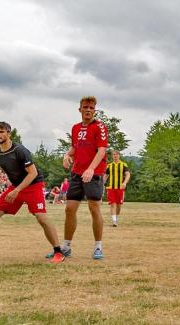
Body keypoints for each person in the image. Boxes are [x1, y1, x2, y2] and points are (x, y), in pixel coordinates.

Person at [0, 121, 65, 263]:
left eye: (1, 131)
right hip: (16, 187)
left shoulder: (20, 150)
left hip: (33, 185)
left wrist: (17, 190)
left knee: (41, 217)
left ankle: (58, 252)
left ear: (8, 133)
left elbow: (33, 173)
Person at [60, 96, 109, 260]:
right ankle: (66, 247)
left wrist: (91, 169)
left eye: (91, 108)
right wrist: (67, 155)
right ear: (80, 109)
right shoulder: (75, 128)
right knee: (69, 209)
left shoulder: (100, 127)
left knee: (94, 208)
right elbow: (74, 147)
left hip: (93, 173)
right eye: (85, 107)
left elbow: (101, 150)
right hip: (77, 173)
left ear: (95, 110)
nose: (88, 110)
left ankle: (98, 247)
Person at [105, 150, 131, 227]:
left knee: (119, 205)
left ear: (119, 155)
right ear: (112, 156)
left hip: (120, 188)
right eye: (113, 154)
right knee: (112, 204)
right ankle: (114, 221)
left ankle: (116, 217)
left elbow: (128, 174)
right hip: (111, 188)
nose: (115, 156)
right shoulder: (109, 166)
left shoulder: (123, 165)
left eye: (116, 154)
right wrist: (100, 184)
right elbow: (106, 176)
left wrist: (125, 182)